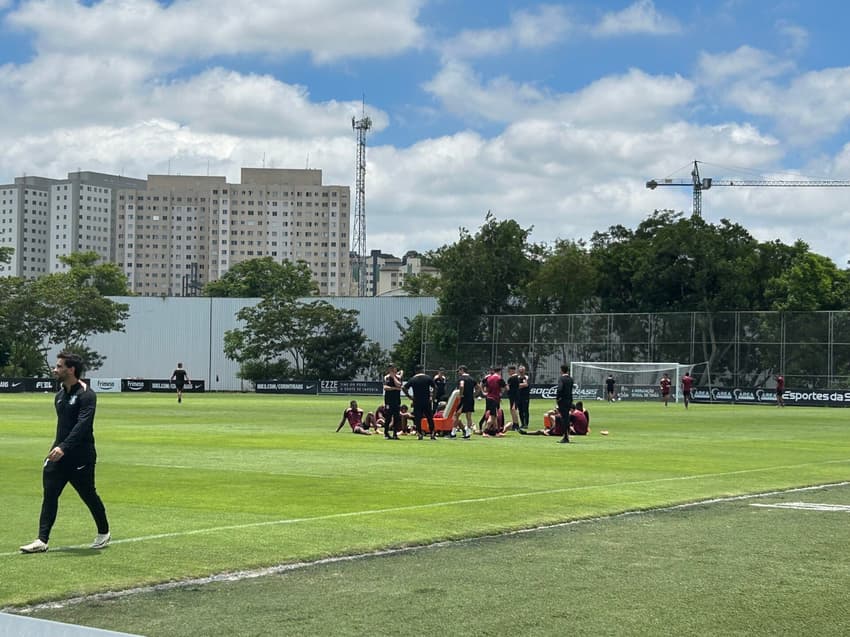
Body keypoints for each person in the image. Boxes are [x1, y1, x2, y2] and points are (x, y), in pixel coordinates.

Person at [20, 351, 110, 554]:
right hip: (59, 454)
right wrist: (54, 449)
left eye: (59, 366)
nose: (55, 369)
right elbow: (63, 428)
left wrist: (64, 447)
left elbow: (82, 426)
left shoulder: (86, 395)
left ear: (71, 369)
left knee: (88, 495)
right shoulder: (60, 396)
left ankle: (104, 532)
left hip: (81, 456)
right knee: (50, 495)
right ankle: (42, 540)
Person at [403, 364, 437, 440]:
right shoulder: (428, 378)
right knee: (429, 417)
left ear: (416, 371)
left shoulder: (413, 379)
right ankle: (432, 433)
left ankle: (420, 434)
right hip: (426, 401)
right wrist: (432, 398)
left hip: (417, 401)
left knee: (418, 418)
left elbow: (404, 388)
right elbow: (435, 387)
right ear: (422, 370)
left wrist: (410, 397)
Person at [482, 367, 506, 435]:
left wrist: (484, 392)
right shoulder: (499, 378)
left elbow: (486, 388)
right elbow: (504, 387)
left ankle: (496, 432)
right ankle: (485, 432)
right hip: (494, 399)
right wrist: (501, 393)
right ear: (499, 371)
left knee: (495, 416)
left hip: (489, 398)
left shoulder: (489, 378)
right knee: (492, 417)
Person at [454, 366, 476, 439]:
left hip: (464, 399)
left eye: (459, 371)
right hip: (470, 399)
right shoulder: (472, 379)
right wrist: (474, 395)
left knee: (456, 415)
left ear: (462, 370)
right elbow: (478, 387)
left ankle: (453, 433)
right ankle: (468, 434)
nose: (458, 373)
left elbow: (462, 385)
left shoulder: (461, 378)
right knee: (468, 417)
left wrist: (461, 394)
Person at [382, 364, 403, 439]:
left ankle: (395, 434)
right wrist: (394, 388)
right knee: (388, 417)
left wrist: (394, 377)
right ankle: (386, 433)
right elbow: (385, 387)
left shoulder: (398, 377)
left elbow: (399, 385)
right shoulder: (386, 377)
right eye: (390, 368)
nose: (391, 370)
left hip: (397, 400)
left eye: (392, 368)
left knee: (396, 417)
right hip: (388, 400)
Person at [556, 364, 574, 444]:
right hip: (569, 400)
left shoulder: (561, 379)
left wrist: (558, 398)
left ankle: (565, 436)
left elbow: (560, 389)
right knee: (567, 417)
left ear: (562, 370)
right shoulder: (570, 379)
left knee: (564, 418)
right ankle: (567, 435)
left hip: (562, 401)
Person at [506, 365, 521, 430]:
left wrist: (504, 386)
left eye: (509, 371)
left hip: (514, 396)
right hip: (515, 396)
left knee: (513, 409)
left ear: (512, 370)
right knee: (513, 410)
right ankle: (515, 423)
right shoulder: (517, 377)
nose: (508, 372)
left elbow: (508, 388)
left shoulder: (512, 378)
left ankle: (516, 424)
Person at [517, 365, 531, 429]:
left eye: (522, 370)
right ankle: (522, 423)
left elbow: (526, 384)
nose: (521, 372)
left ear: (524, 371)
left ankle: (526, 424)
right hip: (519, 396)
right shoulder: (517, 378)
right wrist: (520, 385)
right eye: (520, 370)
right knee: (520, 410)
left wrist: (519, 385)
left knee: (525, 410)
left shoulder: (526, 377)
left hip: (525, 396)